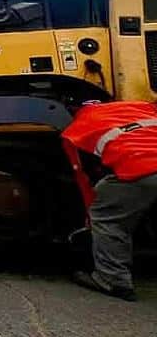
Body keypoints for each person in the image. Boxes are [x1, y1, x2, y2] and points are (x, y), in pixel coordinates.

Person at [61, 99, 157, 301]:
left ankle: (113, 280)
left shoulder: (78, 126)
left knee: (107, 215)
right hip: (147, 164)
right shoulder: (140, 106)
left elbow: (81, 174)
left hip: (141, 167)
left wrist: (90, 214)